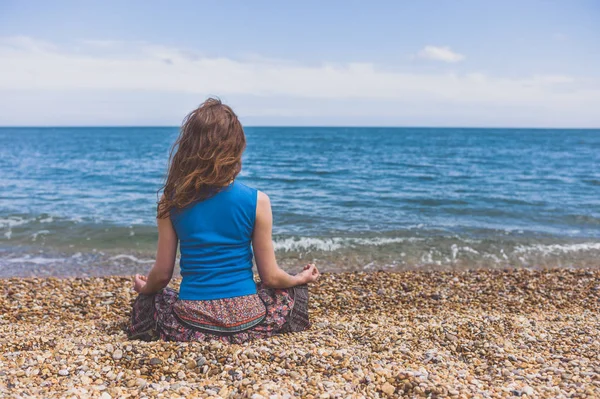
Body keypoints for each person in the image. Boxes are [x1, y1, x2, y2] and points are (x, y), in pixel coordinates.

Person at [126, 98, 319, 343]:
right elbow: (270, 277)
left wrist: (146, 289)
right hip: (248, 320)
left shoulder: (172, 200)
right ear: (236, 148)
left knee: (152, 297)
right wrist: (299, 279)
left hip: (191, 321)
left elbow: (162, 275)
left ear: (189, 148)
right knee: (290, 290)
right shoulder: (258, 201)